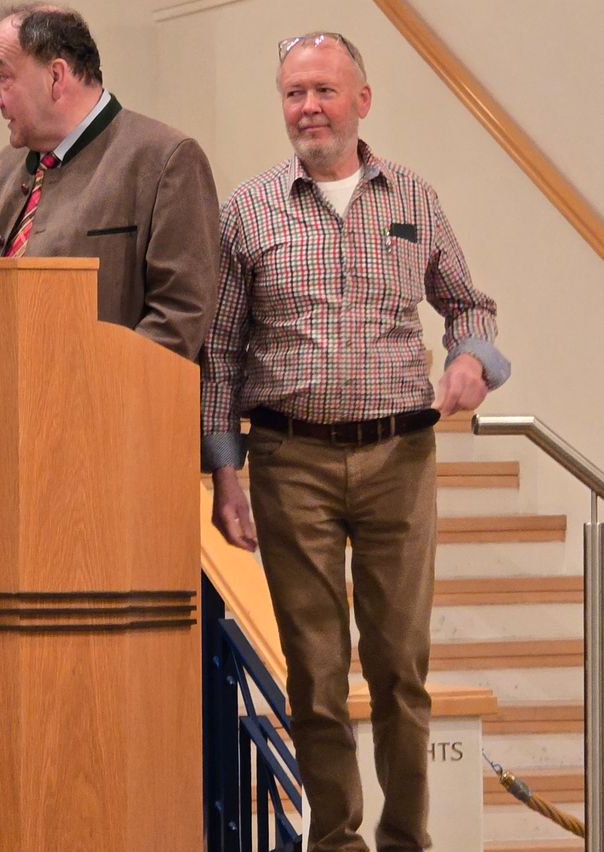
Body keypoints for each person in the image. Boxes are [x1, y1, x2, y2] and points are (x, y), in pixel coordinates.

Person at [201, 32, 510, 851]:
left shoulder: (414, 197)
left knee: (401, 667)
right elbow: (220, 352)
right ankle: (334, 840)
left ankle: (406, 839)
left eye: (325, 91)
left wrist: (475, 360)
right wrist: (224, 475)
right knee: (315, 672)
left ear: (361, 101)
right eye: (295, 92)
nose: (309, 107)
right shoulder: (248, 209)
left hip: (400, 461)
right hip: (287, 461)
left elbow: (469, 305)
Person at [0, 3, 219, 360]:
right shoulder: (2, 167)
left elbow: (179, 317)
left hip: (107, 407)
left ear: (56, 77)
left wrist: (82, 390)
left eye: (3, 77)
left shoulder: (165, 159)